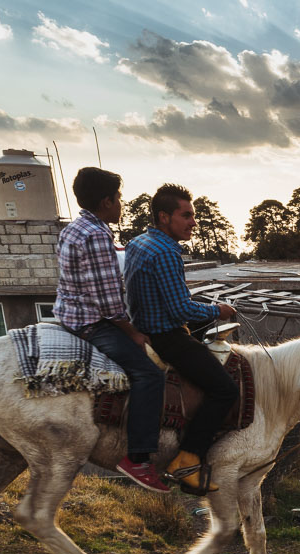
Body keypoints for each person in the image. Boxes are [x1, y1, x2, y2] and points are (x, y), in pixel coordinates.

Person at [53, 167, 169, 493]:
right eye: (118, 197)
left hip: (70, 314)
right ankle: (138, 457)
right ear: (106, 201)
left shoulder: (73, 229)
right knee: (150, 374)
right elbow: (108, 302)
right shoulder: (97, 235)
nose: (121, 203)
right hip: (92, 323)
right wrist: (132, 332)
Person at [123, 184, 236, 495]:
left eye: (194, 216)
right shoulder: (167, 252)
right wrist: (218, 309)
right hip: (166, 336)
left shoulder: (138, 243)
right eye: (186, 216)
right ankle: (187, 460)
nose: (193, 223)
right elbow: (180, 308)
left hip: (143, 326)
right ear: (164, 217)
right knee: (225, 389)